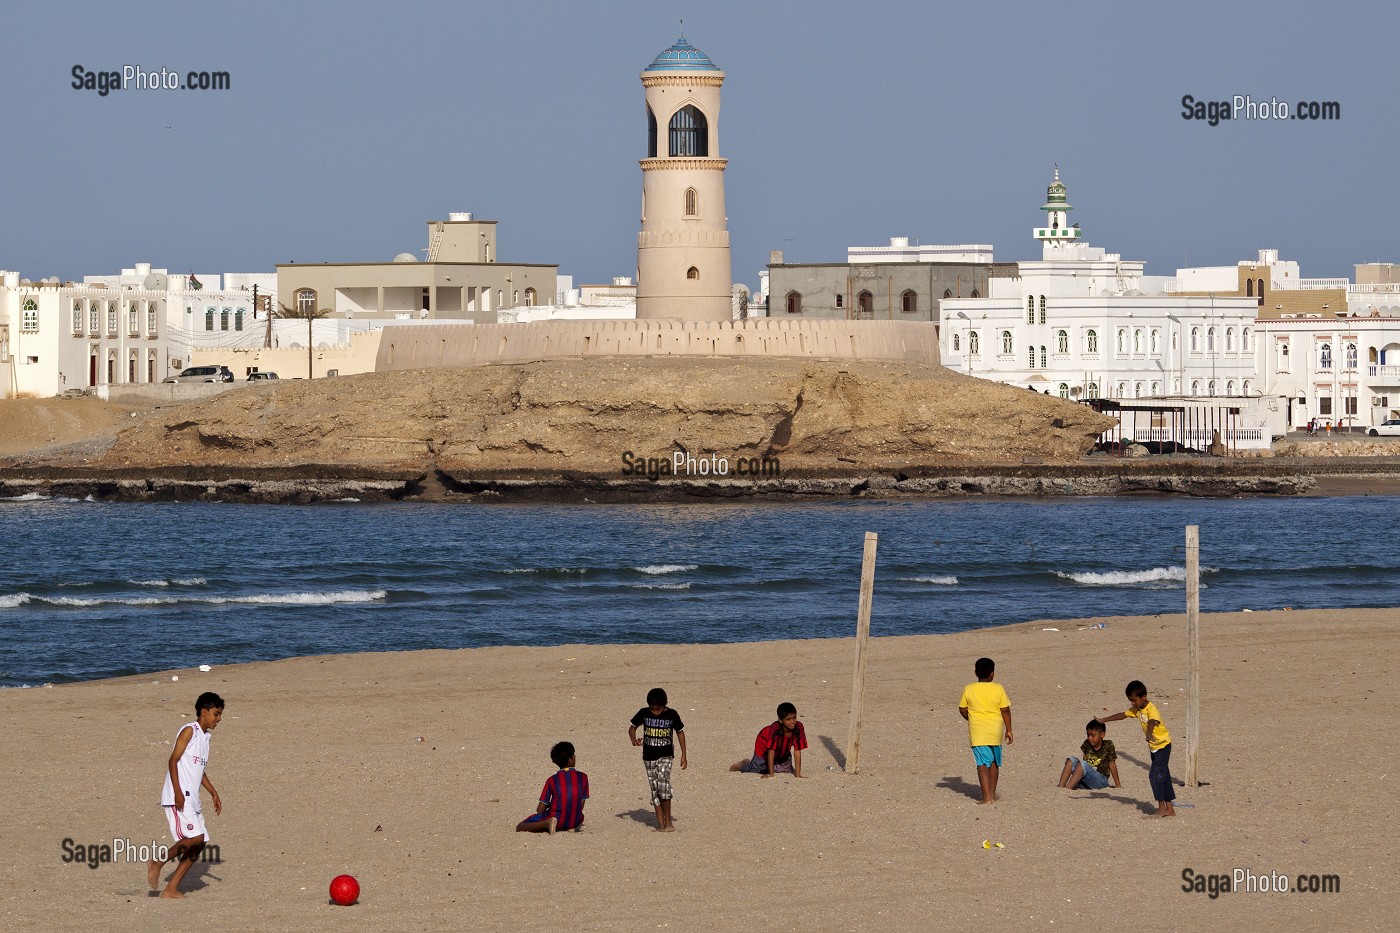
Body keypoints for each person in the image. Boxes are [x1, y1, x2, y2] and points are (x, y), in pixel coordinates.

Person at [146, 692, 224, 898]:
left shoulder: (206, 737)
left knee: (201, 842)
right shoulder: (189, 730)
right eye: (216, 714)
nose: (219, 719)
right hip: (179, 795)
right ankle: (159, 860)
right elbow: (173, 760)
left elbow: (199, 769)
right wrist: (178, 792)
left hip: (193, 796)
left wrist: (213, 792)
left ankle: (171, 888)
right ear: (204, 712)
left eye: (220, 715)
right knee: (195, 837)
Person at [1099, 680, 1175, 817]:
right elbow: (1122, 715)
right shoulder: (1137, 709)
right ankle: (1170, 809)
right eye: (1131, 701)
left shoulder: (1152, 709)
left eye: (1134, 700)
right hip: (1154, 748)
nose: (1133, 703)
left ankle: (1162, 807)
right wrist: (1103, 720)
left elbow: (1152, 721)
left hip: (1163, 747)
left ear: (1143, 697)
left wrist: (1149, 734)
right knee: (1164, 776)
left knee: (1155, 776)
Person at [628, 687, 687, 831]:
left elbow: (680, 733)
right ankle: (660, 824)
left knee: (663, 785)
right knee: (655, 789)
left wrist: (684, 755)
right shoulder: (644, 713)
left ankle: (668, 822)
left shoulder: (672, 715)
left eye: (658, 709)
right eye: (653, 709)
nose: (655, 712)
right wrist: (634, 740)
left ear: (665, 705)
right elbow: (632, 728)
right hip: (648, 758)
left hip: (666, 756)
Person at [958, 657, 1012, 804]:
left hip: (978, 731)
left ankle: (987, 798)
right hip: (995, 729)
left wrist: (970, 717)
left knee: (982, 763)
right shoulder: (998, 688)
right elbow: (1005, 710)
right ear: (992, 673)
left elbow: (962, 708)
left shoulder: (969, 689)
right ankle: (992, 794)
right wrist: (1009, 729)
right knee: (994, 761)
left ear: (976, 672)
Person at [516, 741, 589, 834]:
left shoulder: (552, 780)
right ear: (570, 759)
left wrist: (549, 805)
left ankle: (547, 823)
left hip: (558, 819)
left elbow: (540, 810)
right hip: (576, 820)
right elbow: (581, 805)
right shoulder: (583, 777)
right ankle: (570, 827)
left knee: (521, 826)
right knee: (574, 815)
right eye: (574, 755)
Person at [730, 702, 807, 778]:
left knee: (786, 771)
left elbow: (797, 750)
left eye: (794, 718)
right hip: (764, 751)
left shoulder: (798, 727)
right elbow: (771, 751)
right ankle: (744, 764)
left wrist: (798, 775)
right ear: (781, 720)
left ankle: (772, 766)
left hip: (782, 751)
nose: (792, 722)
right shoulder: (775, 729)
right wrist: (771, 774)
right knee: (756, 769)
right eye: (788, 719)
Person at [1057, 719, 1121, 790]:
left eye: (1093, 735)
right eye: (1088, 735)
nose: (1090, 738)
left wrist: (1118, 786)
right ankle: (1061, 788)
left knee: (1083, 764)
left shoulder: (1108, 745)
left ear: (1102, 734)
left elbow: (1112, 765)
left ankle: (1068, 789)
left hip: (1100, 781)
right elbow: (1084, 759)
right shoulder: (1087, 743)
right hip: (1086, 780)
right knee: (1071, 760)